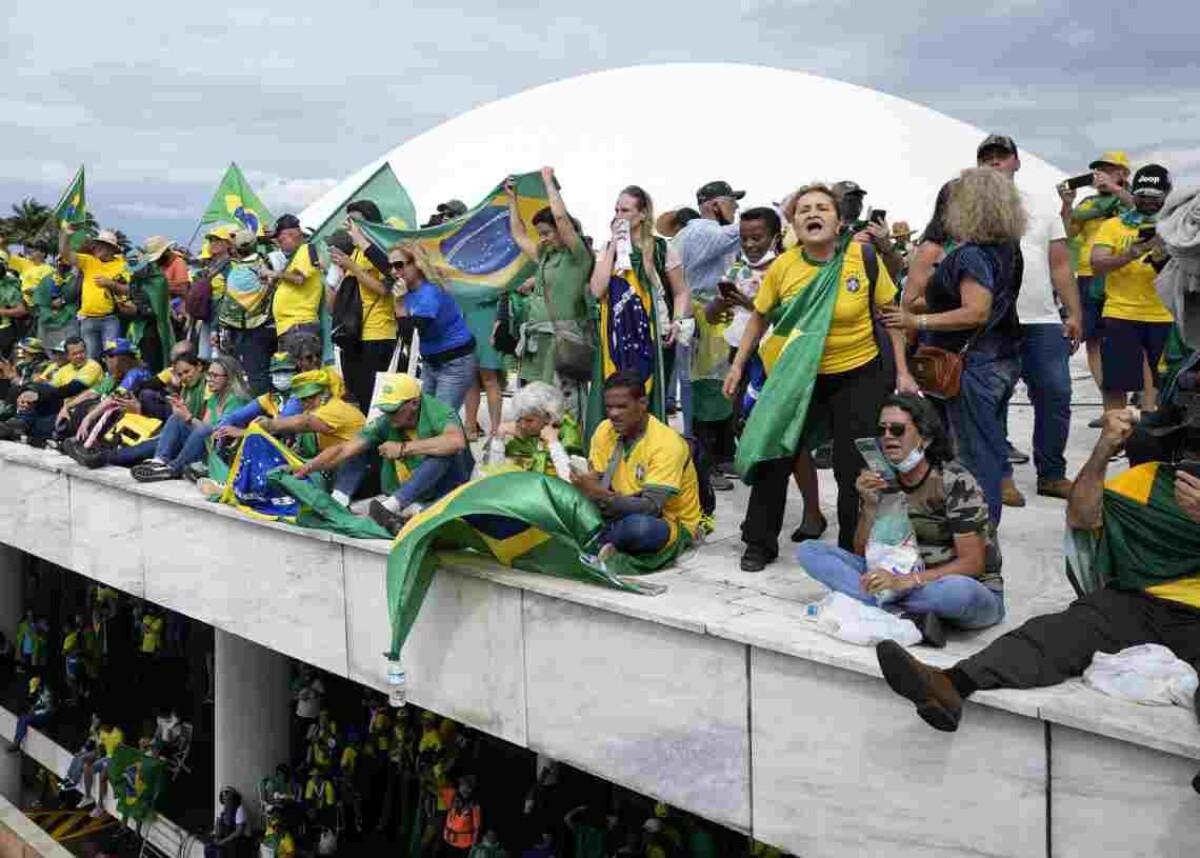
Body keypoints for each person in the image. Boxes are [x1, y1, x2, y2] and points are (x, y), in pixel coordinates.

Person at [876, 407, 1200, 734]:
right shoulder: (1147, 481)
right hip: (1138, 599)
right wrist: (1103, 450)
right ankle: (949, 685)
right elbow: (1082, 517)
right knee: (1055, 632)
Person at [726, 183, 916, 571]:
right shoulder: (784, 267)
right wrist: (737, 366)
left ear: (839, 219)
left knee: (854, 467)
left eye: (822, 208)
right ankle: (760, 542)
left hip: (857, 375)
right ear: (794, 224)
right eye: (804, 210)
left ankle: (851, 548)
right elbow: (760, 317)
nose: (813, 214)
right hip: (798, 377)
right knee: (774, 454)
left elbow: (889, 314)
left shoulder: (861, 258)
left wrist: (902, 370)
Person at [883, 167, 1026, 524]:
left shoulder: (970, 254)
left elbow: (975, 311)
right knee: (985, 450)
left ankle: (979, 540)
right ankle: (974, 530)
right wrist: (918, 306)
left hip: (970, 366)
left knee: (975, 460)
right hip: (1001, 359)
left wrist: (916, 321)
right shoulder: (1008, 248)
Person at [797, 394, 1005, 641]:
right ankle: (904, 611)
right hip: (894, 573)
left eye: (897, 430)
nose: (888, 437)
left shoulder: (954, 481)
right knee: (810, 552)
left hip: (952, 582)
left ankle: (883, 605)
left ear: (925, 438)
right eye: (882, 430)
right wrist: (870, 505)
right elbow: (863, 552)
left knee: (957, 594)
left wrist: (904, 582)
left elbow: (972, 563)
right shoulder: (879, 475)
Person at [978, 137, 1083, 503]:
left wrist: (1074, 313)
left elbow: (1060, 264)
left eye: (1001, 157)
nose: (994, 163)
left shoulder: (1042, 208)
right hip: (991, 322)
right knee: (994, 399)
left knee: (1057, 394)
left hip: (1042, 319)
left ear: (1016, 162)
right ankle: (1000, 475)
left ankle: (1052, 474)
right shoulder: (965, 210)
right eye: (986, 158)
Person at [295, 373, 473, 535]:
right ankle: (337, 503)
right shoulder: (386, 422)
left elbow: (456, 442)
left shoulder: (438, 411)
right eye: (385, 410)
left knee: (444, 452)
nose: (389, 415)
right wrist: (307, 468)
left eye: (393, 410)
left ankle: (393, 507)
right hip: (404, 490)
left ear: (414, 403)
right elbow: (344, 450)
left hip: (443, 490)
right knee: (360, 448)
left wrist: (404, 448)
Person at [587, 185, 690, 435]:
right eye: (616, 210)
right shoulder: (606, 249)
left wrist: (677, 321)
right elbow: (596, 289)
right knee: (612, 396)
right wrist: (613, 246)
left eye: (625, 210)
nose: (619, 216)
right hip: (613, 337)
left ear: (642, 214)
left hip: (650, 337)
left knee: (646, 395)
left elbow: (681, 291)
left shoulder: (662, 248)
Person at [573, 370, 702, 568]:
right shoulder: (603, 430)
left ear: (642, 403)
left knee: (639, 528)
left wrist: (602, 496)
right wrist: (586, 483)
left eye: (622, 406)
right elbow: (599, 479)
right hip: (615, 510)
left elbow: (651, 508)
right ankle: (607, 540)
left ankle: (602, 541)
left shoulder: (666, 443)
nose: (614, 414)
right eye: (609, 407)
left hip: (664, 521)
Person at [505, 167, 593, 424]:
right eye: (540, 234)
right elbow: (519, 235)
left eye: (546, 232)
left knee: (564, 406)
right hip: (536, 342)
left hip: (561, 342)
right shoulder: (546, 257)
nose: (542, 238)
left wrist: (547, 184)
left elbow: (562, 219)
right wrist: (512, 200)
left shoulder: (578, 256)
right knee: (536, 403)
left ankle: (571, 451)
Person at [1090, 164, 1175, 414]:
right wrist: (1130, 254)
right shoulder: (1114, 225)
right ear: (1133, 193)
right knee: (1116, 384)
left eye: (1155, 196)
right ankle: (1114, 436)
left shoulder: (1178, 226)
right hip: (1120, 314)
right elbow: (1096, 264)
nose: (1148, 201)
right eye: (1142, 195)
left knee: (1165, 387)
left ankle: (1152, 441)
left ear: (1167, 195)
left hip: (1165, 316)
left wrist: (1163, 256)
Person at [1058, 151, 1134, 393]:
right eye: (1099, 170)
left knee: (1127, 338)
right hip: (1088, 276)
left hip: (1121, 276)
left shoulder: (1133, 198)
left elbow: (1144, 214)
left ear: (1123, 173)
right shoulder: (1087, 204)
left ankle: (1140, 397)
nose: (1101, 174)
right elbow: (1068, 233)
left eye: (1109, 169)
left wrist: (1114, 189)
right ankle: (1109, 401)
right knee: (1093, 340)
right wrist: (1067, 203)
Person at [131, 355, 251, 481]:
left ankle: (173, 469)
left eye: (215, 376)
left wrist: (188, 417)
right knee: (177, 418)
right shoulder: (215, 398)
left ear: (230, 378)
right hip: (207, 447)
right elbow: (203, 427)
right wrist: (183, 413)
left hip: (222, 454)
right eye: (209, 375)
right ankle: (159, 461)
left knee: (200, 429)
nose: (209, 379)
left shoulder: (237, 400)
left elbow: (218, 433)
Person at [389, 240, 478, 410]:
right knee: (425, 417)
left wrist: (399, 305)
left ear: (416, 264)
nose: (394, 271)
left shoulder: (429, 293)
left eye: (399, 265)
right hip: (431, 362)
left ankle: (459, 435)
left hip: (455, 361)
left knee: (441, 418)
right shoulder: (407, 287)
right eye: (391, 266)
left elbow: (412, 337)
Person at [259, 368, 368, 505]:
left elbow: (306, 422)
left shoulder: (335, 408)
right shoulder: (317, 410)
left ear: (324, 394)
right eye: (302, 399)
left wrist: (271, 424)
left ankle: (339, 501)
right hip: (331, 463)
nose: (306, 403)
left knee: (353, 456)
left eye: (311, 397)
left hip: (359, 470)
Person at [329, 202, 399, 411]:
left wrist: (353, 268)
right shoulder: (354, 252)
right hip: (353, 335)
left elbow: (384, 289)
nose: (351, 226)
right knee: (358, 394)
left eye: (357, 220)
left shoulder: (381, 251)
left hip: (378, 333)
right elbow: (333, 305)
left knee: (376, 398)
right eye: (349, 221)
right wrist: (336, 274)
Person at [217, 227, 276, 395]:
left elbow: (229, 308)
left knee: (257, 376)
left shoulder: (235, 273)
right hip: (270, 324)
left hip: (247, 331)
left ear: (235, 249)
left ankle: (263, 412)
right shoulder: (267, 263)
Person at [58, 227, 130, 360]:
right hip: (88, 320)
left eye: (101, 245)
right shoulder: (88, 261)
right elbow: (65, 254)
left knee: (112, 357)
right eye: (97, 244)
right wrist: (66, 235)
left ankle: (111, 379)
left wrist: (110, 284)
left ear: (111, 249)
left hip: (110, 319)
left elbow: (129, 289)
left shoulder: (122, 265)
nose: (96, 247)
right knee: (91, 359)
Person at [264, 214, 324, 350]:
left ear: (293, 234)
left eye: (281, 240)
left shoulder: (306, 249)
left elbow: (299, 278)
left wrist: (275, 273)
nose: (279, 245)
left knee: (301, 370)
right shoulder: (295, 256)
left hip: (299, 326)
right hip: (290, 327)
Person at [8, 674, 53, 753]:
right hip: (41, 714)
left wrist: (34, 710)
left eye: (36, 689)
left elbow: (47, 708)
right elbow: (38, 703)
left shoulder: (47, 692)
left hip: (46, 716)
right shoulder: (41, 690)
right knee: (23, 717)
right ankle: (18, 741)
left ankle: (16, 743)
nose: (36, 691)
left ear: (39, 686)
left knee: (23, 719)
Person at [444, 776, 483, 857]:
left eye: (469, 788)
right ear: (459, 787)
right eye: (463, 786)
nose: (466, 789)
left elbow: (477, 828)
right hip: (448, 841)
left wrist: (473, 848)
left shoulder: (474, 806)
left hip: (464, 846)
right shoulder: (452, 797)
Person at [205, 787, 249, 857]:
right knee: (209, 847)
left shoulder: (240, 809)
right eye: (223, 798)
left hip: (238, 840)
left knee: (227, 849)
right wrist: (217, 837)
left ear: (234, 798)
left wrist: (223, 841)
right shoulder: (222, 809)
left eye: (228, 798)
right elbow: (218, 824)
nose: (225, 800)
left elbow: (239, 832)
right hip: (225, 837)